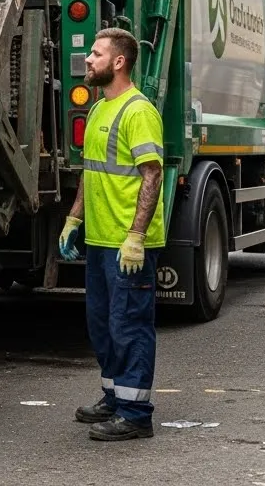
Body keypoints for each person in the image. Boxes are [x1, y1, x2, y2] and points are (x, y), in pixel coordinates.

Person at [57, 27, 166, 441]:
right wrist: (73, 219)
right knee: (101, 323)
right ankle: (114, 396)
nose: (87, 59)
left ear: (118, 62)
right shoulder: (101, 108)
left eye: (96, 53)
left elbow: (151, 175)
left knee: (130, 325)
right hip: (101, 240)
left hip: (127, 245)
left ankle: (136, 414)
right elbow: (91, 172)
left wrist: (136, 236)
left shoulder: (138, 111)